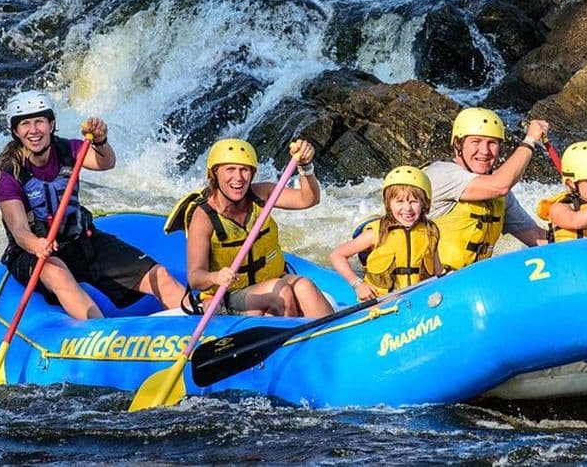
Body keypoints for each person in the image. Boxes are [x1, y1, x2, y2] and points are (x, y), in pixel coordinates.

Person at [0, 89, 187, 319]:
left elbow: (106, 163)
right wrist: (37, 245)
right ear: (16, 131)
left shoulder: (68, 150)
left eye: (39, 122)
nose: (33, 130)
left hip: (80, 242)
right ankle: (100, 336)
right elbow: (19, 230)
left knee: (159, 275)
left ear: (51, 124)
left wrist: (101, 141)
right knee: (58, 274)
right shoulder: (8, 175)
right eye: (25, 124)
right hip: (34, 253)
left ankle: (203, 327)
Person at [175, 138, 333, 318]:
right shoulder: (203, 216)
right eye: (230, 169)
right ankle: (292, 342)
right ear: (214, 174)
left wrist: (306, 167)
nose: (239, 178)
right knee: (281, 292)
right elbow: (195, 277)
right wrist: (215, 277)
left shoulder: (262, 194)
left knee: (306, 287)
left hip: (270, 279)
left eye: (244, 170)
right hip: (229, 295)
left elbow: (308, 199)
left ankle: (337, 338)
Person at [423, 107, 549, 271]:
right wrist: (530, 140)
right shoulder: (440, 174)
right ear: (457, 144)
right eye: (475, 141)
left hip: (472, 284)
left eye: (492, 143)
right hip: (430, 286)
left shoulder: (499, 197)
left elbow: (538, 239)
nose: (485, 151)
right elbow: (500, 185)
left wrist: (584, 237)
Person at [330, 166, 442, 301]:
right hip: (380, 302)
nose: (407, 208)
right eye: (399, 201)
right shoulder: (377, 232)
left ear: (424, 203)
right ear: (388, 204)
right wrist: (357, 284)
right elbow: (337, 255)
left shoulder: (430, 232)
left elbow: (438, 271)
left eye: (413, 201)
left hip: (418, 298)